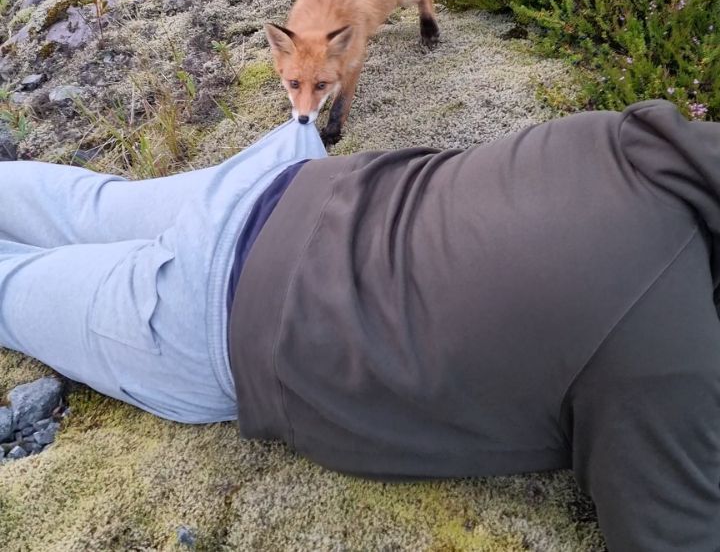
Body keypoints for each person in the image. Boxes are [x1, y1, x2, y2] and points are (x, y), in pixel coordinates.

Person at [1, 99, 719, 552]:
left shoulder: (648, 143)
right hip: (211, 317)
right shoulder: (663, 363)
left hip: (273, 188)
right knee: (12, 287)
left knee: (85, 206)